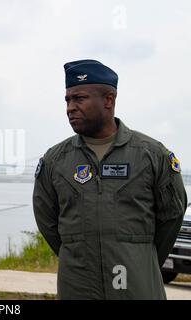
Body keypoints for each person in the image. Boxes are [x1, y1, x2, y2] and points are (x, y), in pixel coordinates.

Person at [33, 59, 187, 299]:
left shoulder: (151, 155)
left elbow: (171, 216)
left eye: (79, 98)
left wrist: (139, 256)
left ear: (108, 100)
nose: (70, 108)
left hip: (136, 288)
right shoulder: (56, 161)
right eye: (67, 100)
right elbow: (48, 221)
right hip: (78, 288)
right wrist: (80, 250)